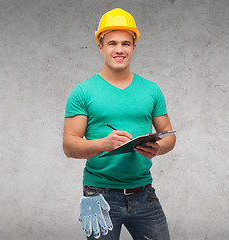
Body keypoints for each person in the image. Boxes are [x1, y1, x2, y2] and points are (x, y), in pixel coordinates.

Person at [63, 8, 176, 240]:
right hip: (99, 194)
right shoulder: (83, 91)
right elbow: (69, 146)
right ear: (100, 47)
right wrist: (104, 144)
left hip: (144, 193)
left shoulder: (151, 89)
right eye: (112, 43)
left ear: (134, 47)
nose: (119, 49)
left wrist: (159, 147)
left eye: (126, 43)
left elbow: (169, 134)